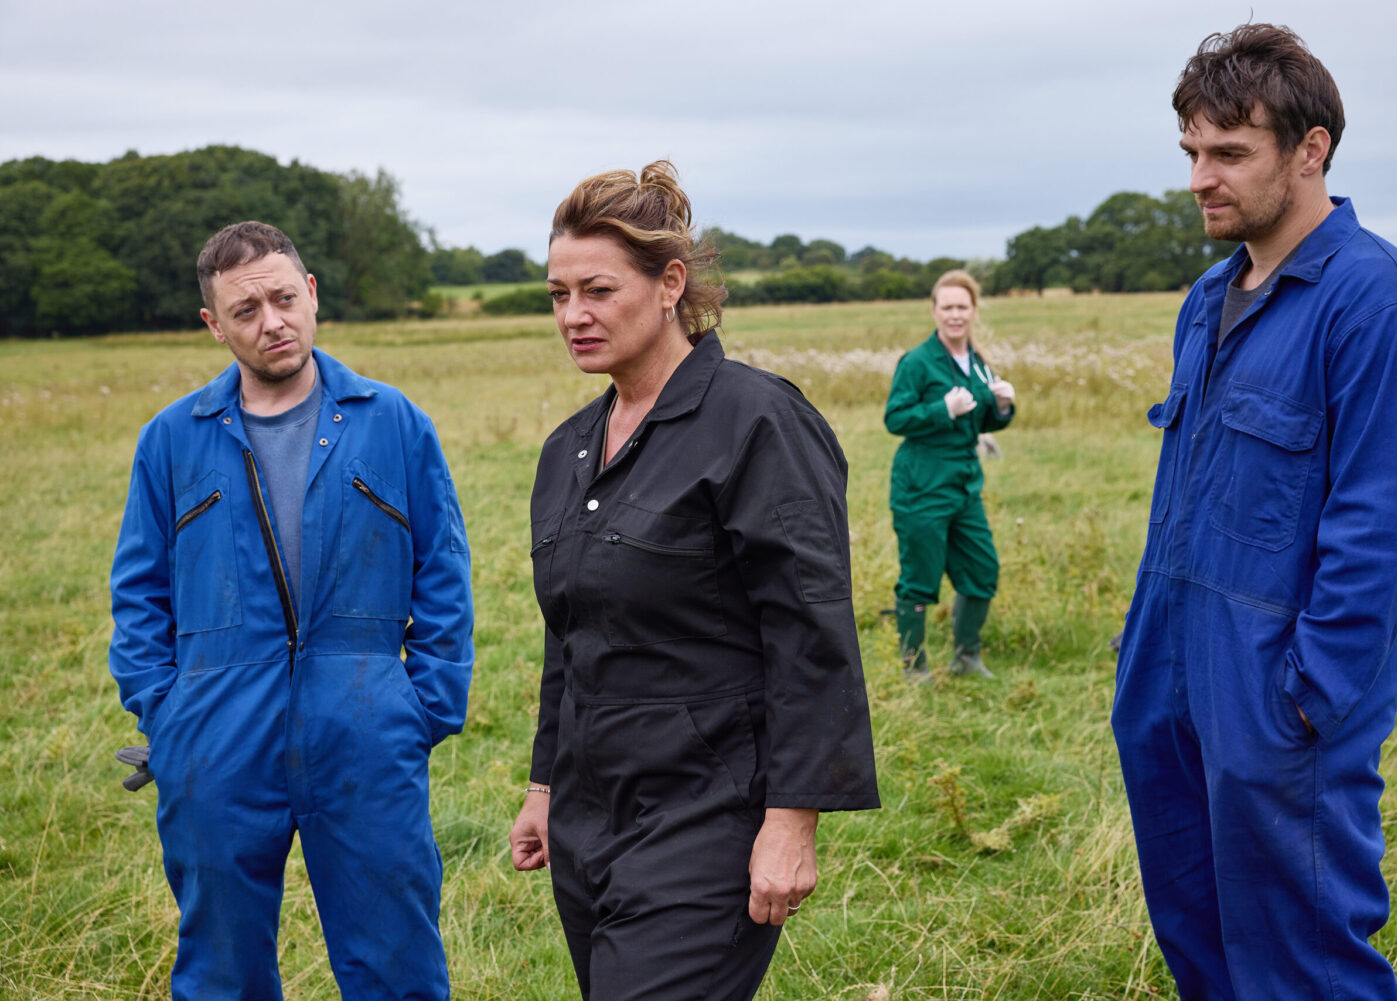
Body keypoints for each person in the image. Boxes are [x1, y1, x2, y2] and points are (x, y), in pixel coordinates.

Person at [1111, 24, 1397, 1000]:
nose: (1199, 179)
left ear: (1311, 149)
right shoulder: (1207, 297)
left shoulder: (1382, 305)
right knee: (1198, 935)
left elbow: (1385, 530)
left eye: (1228, 153)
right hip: (1168, 675)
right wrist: (1146, 650)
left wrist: (1307, 695)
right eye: (1191, 152)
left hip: (1277, 695)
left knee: (1303, 961)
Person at [508, 161, 880, 1001]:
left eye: (598, 290)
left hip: (709, 810)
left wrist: (792, 820)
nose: (573, 315)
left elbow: (811, 629)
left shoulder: (757, 421)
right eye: (558, 294)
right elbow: (569, 636)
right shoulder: (570, 448)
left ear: (670, 284)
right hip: (589, 814)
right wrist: (544, 786)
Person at [109, 221, 474, 1000]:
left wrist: (422, 707)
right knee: (222, 971)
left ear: (311, 294)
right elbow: (139, 593)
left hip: (366, 729)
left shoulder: (394, 422)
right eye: (245, 310)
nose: (271, 321)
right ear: (214, 325)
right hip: (216, 737)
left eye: (282, 298)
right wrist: (168, 715)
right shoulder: (170, 440)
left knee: (396, 964)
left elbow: (443, 571)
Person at [884, 271, 1016, 680]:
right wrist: (942, 409)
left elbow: (980, 420)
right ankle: (914, 667)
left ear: (974, 311)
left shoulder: (977, 363)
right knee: (920, 577)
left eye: (962, 307)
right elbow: (895, 418)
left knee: (982, 569)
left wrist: (1003, 407)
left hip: (964, 485)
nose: (955, 315)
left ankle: (966, 658)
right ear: (934, 311)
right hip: (922, 485)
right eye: (947, 307)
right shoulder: (917, 362)